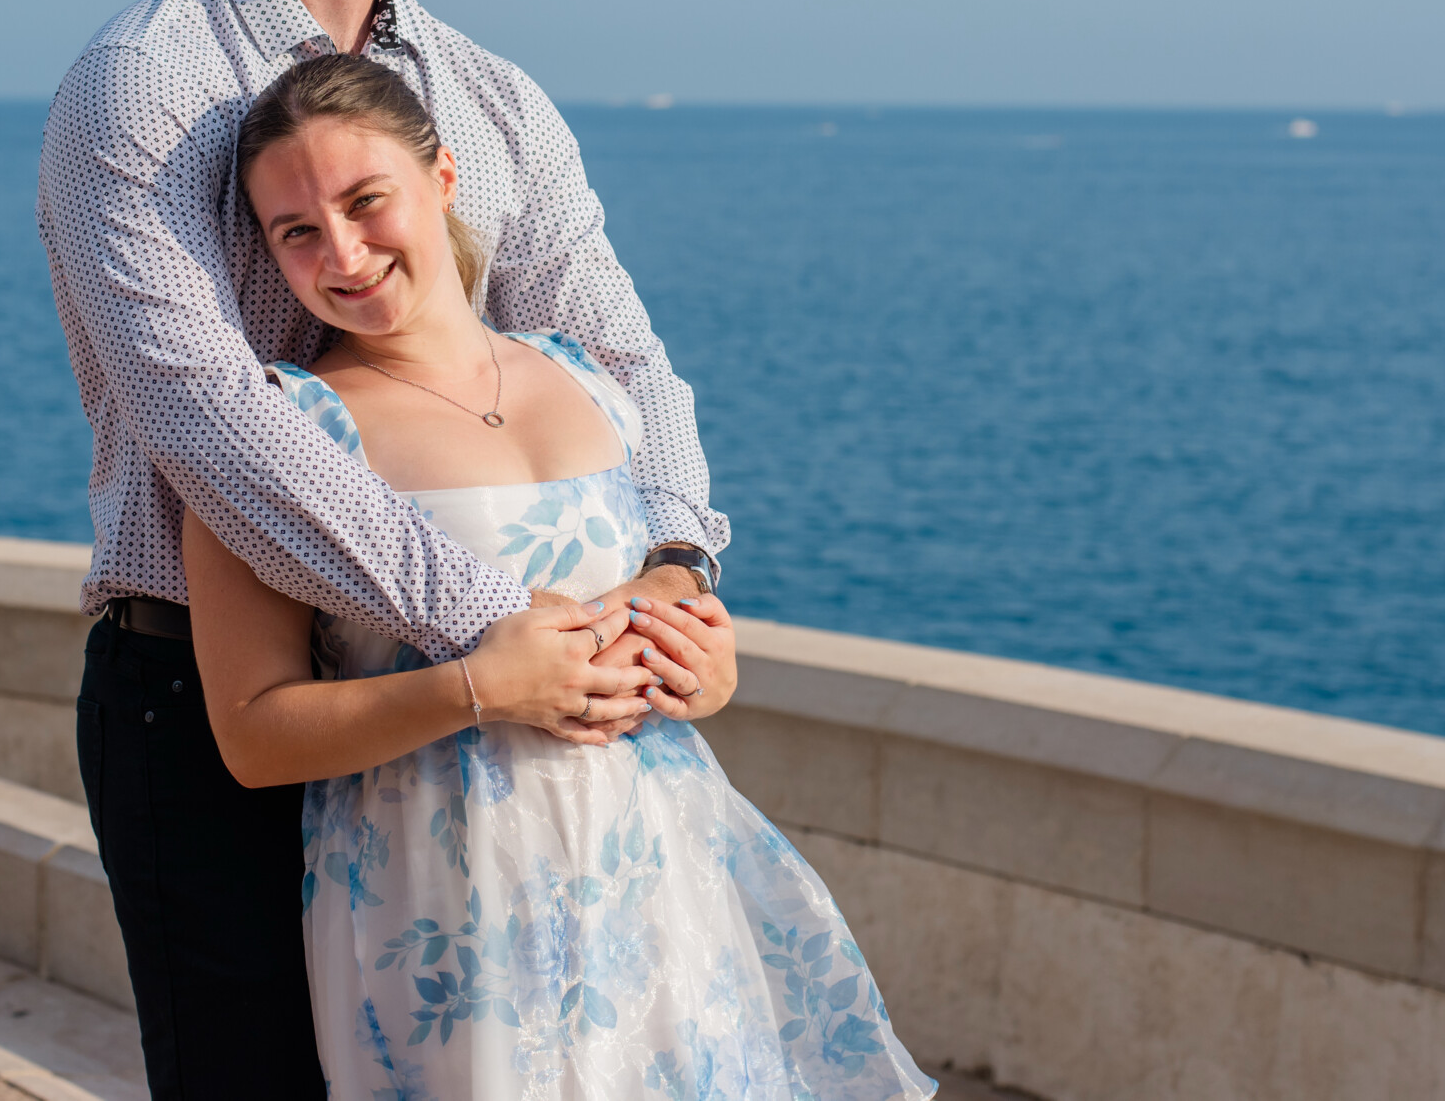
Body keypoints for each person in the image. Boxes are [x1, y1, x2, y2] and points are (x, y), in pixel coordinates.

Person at [38, 0, 735, 1098]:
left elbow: (616, 349)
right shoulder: (143, 85)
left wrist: (674, 570)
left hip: (499, 715)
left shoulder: (492, 100)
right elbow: (214, 427)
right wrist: (493, 633)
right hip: (219, 706)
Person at [183, 53, 934, 1098]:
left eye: (366, 202)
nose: (342, 254)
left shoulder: (587, 378)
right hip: (445, 900)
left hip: (658, 870)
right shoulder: (280, 432)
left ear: (442, 180)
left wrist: (705, 674)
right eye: (296, 231)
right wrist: (473, 689)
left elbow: (668, 632)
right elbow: (255, 734)